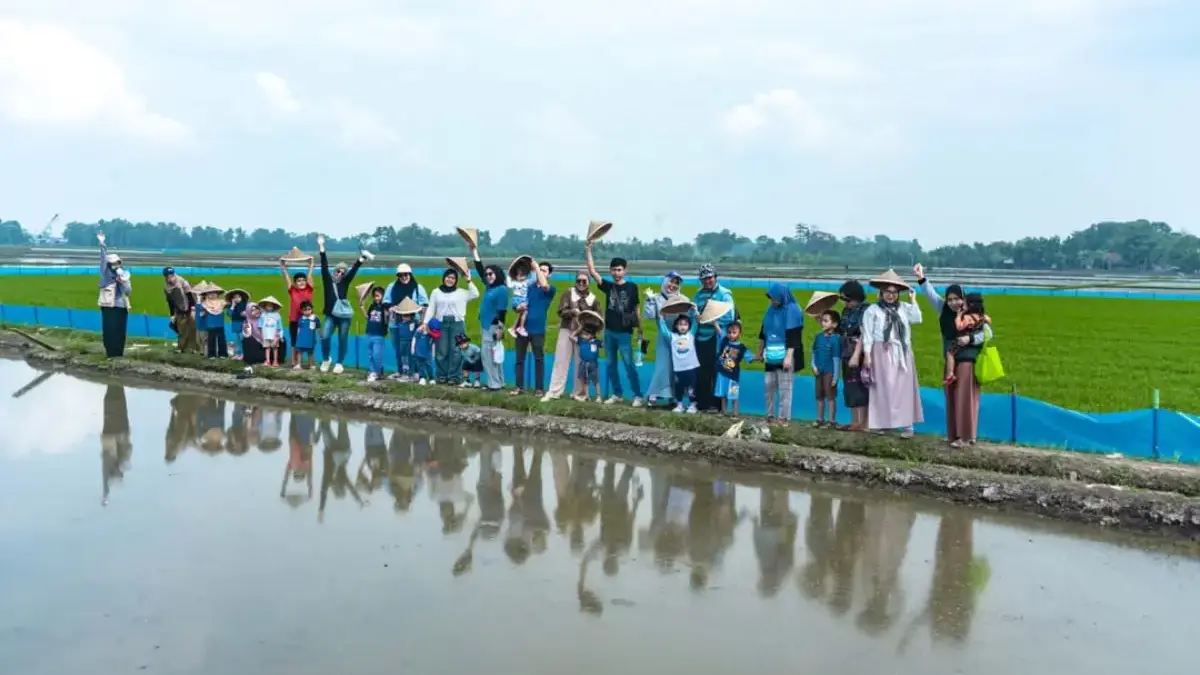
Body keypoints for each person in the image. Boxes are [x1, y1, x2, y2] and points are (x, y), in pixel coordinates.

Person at [915, 264, 992, 447]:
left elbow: (988, 333)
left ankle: (966, 437)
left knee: (965, 399)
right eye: (950, 299)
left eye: (957, 299)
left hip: (967, 361)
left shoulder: (973, 314)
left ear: (963, 299)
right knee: (952, 398)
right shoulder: (944, 311)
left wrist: (970, 339)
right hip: (950, 362)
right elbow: (930, 294)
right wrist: (921, 277)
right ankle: (955, 435)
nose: (953, 303)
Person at [862, 269, 924, 437]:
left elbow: (918, 318)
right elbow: (867, 334)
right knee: (883, 388)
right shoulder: (873, 310)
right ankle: (884, 424)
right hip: (882, 350)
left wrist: (913, 300)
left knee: (904, 388)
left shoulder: (903, 308)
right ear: (881, 293)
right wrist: (867, 356)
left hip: (902, 352)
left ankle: (907, 425)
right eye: (887, 292)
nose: (891, 296)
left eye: (894, 292)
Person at [585, 240, 643, 406]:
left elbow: (636, 308)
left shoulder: (632, 287)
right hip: (609, 331)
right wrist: (588, 249)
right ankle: (617, 393)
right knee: (611, 365)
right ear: (610, 271)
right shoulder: (608, 286)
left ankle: (637, 395)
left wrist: (640, 328)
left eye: (619, 270)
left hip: (625, 332)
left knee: (629, 364)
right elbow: (592, 270)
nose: (617, 273)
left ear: (625, 271)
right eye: (614, 270)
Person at [317, 234, 369, 374]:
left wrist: (361, 259)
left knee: (342, 338)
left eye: (343, 271)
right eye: (338, 270)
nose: (340, 273)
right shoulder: (328, 280)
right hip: (330, 315)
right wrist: (322, 247)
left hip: (344, 316)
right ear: (335, 271)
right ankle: (326, 359)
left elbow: (353, 271)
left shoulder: (345, 282)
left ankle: (339, 363)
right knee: (325, 336)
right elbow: (323, 265)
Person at [544, 270, 598, 402]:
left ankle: (579, 393)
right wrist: (572, 312)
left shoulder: (593, 299)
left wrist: (591, 333)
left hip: (583, 335)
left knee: (581, 364)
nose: (581, 283)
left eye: (584, 281)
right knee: (560, 361)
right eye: (578, 280)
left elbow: (598, 318)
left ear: (588, 282)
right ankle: (554, 391)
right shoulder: (568, 293)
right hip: (567, 330)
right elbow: (560, 311)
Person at [422, 267, 479, 384]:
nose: (450, 280)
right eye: (448, 277)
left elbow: (475, 294)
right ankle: (441, 376)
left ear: (456, 280)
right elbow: (431, 308)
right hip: (441, 323)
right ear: (444, 278)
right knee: (441, 351)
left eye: (453, 278)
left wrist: (468, 280)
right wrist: (425, 322)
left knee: (456, 350)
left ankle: (454, 377)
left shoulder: (461, 292)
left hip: (457, 323)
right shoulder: (436, 292)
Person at [693, 264, 736, 412]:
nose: (708, 281)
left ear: (715, 277)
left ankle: (716, 405)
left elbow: (729, 316)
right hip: (700, 337)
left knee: (716, 371)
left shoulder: (724, 294)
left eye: (710, 277)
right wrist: (697, 318)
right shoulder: (698, 295)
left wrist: (711, 320)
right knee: (702, 371)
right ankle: (701, 403)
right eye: (704, 278)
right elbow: (694, 313)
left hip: (717, 337)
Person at [759, 283, 804, 424]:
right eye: (771, 299)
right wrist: (760, 351)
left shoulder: (793, 310)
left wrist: (788, 356)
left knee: (785, 388)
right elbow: (763, 332)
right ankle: (770, 415)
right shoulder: (770, 310)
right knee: (769, 386)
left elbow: (794, 335)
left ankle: (784, 418)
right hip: (771, 353)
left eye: (774, 298)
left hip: (785, 355)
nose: (772, 301)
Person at [642, 271, 688, 406]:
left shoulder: (682, 299)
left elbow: (687, 318)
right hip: (663, 336)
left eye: (676, 283)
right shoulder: (656, 298)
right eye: (671, 281)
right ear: (665, 281)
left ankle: (672, 397)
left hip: (678, 338)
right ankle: (653, 394)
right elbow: (649, 315)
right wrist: (649, 300)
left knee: (676, 367)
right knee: (662, 366)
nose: (673, 285)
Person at [512, 260, 556, 397]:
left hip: (538, 329)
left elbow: (543, 284)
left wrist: (536, 267)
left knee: (539, 359)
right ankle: (519, 387)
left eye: (544, 271)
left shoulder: (549, 290)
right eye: (539, 270)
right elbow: (516, 303)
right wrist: (517, 308)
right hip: (522, 328)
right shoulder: (528, 287)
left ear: (549, 275)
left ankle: (539, 389)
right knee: (519, 359)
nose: (540, 272)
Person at [471, 244, 510, 391]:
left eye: (491, 274)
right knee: (494, 356)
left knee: (488, 356)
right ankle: (499, 382)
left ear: (498, 274)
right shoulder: (490, 287)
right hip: (487, 325)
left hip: (492, 326)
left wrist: (500, 328)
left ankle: (494, 384)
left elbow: (502, 311)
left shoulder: (501, 290)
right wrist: (474, 251)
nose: (488, 276)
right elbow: (480, 270)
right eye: (487, 274)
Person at [383, 263, 429, 379]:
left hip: (413, 322)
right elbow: (386, 302)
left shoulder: (418, 288)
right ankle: (400, 371)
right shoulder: (392, 287)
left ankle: (415, 372)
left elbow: (425, 304)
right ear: (397, 276)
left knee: (413, 347)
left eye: (406, 274)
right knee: (398, 348)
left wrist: (422, 320)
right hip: (395, 322)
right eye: (401, 275)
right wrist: (390, 308)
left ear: (410, 274)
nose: (403, 277)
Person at [837, 280, 870, 431]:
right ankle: (855, 421)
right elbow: (842, 330)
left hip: (860, 353)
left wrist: (857, 355)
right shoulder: (846, 311)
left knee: (861, 388)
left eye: (846, 299)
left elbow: (865, 334)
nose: (844, 302)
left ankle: (864, 423)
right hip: (846, 351)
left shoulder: (866, 310)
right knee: (850, 386)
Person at [96, 232, 132, 358]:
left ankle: (119, 354)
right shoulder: (106, 275)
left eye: (117, 263)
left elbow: (128, 292)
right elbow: (102, 258)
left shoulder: (124, 275)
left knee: (120, 331)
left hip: (121, 307)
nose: (115, 266)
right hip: (108, 306)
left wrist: (123, 283)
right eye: (112, 263)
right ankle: (110, 354)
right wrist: (102, 244)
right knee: (109, 330)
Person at [944, 293, 990, 385]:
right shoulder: (982, 316)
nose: (962, 305)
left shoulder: (967, 317)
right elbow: (989, 321)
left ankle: (950, 374)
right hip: (973, 342)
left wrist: (958, 316)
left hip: (963, 340)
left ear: (970, 305)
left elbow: (959, 327)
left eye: (964, 303)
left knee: (949, 353)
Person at [280, 256, 315, 369]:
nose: (302, 282)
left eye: (303, 280)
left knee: (309, 340)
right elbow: (287, 279)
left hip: (307, 320)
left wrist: (311, 265)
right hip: (295, 320)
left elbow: (310, 276)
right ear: (295, 283)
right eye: (299, 280)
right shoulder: (293, 290)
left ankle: (310, 363)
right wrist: (283, 267)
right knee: (295, 341)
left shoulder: (309, 289)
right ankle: (294, 362)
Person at [714, 321, 752, 417]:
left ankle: (735, 413)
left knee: (734, 394)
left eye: (734, 332)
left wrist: (760, 357)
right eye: (729, 332)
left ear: (739, 333)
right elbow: (719, 331)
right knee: (723, 394)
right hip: (722, 373)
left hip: (733, 375)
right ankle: (724, 411)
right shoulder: (725, 340)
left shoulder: (742, 347)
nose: (731, 335)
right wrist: (714, 322)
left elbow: (750, 357)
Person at [811, 310, 842, 427]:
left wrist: (835, 376)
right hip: (819, 371)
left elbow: (836, 358)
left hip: (829, 372)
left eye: (826, 321)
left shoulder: (836, 339)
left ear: (834, 324)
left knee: (830, 397)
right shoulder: (818, 337)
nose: (823, 323)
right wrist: (813, 366)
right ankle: (820, 419)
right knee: (819, 396)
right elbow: (813, 352)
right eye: (822, 320)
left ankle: (832, 421)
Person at [666, 313, 700, 414]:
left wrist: (695, 313)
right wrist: (661, 319)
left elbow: (696, 323)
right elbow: (663, 330)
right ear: (676, 326)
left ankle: (693, 405)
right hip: (678, 369)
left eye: (685, 324)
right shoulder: (673, 336)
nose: (683, 326)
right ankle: (680, 404)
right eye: (680, 324)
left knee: (691, 387)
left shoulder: (691, 335)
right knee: (679, 387)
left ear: (689, 326)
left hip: (691, 368)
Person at [163, 266, 198, 353]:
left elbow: (190, 295)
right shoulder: (167, 288)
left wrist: (193, 307)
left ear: (174, 274)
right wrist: (172, 315)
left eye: (171, 275)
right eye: (167, 276)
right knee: (181, 329)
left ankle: (195, 348)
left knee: (193, 328)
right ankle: (181, 348)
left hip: (190, 307)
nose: (170, 278)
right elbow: (170, 302)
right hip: (179, 310)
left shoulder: (182, 281)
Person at [362, 285, 388, 382]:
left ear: (383, 296)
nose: (376, 298)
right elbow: (368, 317)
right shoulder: (372, 306)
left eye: (378, 296)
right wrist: (362, 307)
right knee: (370, 354)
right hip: (369, 333)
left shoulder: (384, 307)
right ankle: (374, 371)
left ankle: (376, 372)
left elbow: (387, 319)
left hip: (379, 334)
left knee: (377, 354)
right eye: (375, 296)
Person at [573, 325, 603, 402]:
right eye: (583, 334)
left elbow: (604, 343)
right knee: (585, 380)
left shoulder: (596, 342)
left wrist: (603, 333)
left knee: (595, 380)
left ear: (592, 335)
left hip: (593, 364)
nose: (583, 335)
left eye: (586, 334)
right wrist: (579, 329)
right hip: (583, 363)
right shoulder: (581, 341)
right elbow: (571, 337)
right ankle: (587, 396)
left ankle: (598, 396)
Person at [198, 288, 227, 358]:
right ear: (207, 295)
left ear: (217, 294)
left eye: (214, 293)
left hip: (220, 324)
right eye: (210, 293)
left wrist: (227, 294)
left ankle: (222, 354)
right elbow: (200, 310)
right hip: (210, 324)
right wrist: (199, 299)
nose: (212, 295)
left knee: (221, 340)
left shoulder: (222, 302)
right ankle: (211, 354)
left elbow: (229, 303)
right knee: (211, 340)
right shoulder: (205, 303)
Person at [507, 259, 532, 338]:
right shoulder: (515, 283)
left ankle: (515, 328)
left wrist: (533, 269)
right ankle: (520, 328)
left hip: (524, 299)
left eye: (523, 275)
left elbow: (533, 280)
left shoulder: (526, 282)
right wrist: (508, 276)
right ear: (516, 276)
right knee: (524, 312)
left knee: (522, 313)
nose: (521, 277)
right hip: (517, 299)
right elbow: (509, 285)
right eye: (519, 275)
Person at [258, 297, 284, 367]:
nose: (269, 307)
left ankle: (275, 361)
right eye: (267, 305)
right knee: (267, 348)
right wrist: (261, 335)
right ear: (265, 306)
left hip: (274, 335)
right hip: (266, 335)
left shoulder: (277, 315)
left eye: (270, 306)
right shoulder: (263, 315)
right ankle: (267, 360)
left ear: (274, 306)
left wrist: (280, 336)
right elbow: (260, 325)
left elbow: (279, 326)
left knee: (275, 348)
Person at [293, 301, 320, 369]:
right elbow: (298, 329)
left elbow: (318, 328)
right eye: (305, 310)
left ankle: (311, 365)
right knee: (299, 352)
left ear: (312, 309)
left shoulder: (315, 318)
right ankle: (298, 364)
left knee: (310, 352)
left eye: (309, 309)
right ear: (302, 311)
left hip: (310, 339)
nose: (307, 311)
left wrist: (320, 336)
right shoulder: (301, 319)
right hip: (301, 338)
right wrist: (297, 337)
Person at [227, 291, 248, 360]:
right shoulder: (232, 306)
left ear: (242, 298)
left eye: (238, 297)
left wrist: (245, 313)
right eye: (235, 297)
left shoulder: (244, 305)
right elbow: (229, 314)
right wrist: (233, 305)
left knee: (242, 339)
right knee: (237, 340)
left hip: (243, 324)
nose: (237, 299)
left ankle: (243, 354)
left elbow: (248, 313)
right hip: (235, 324)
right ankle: (237, 353)